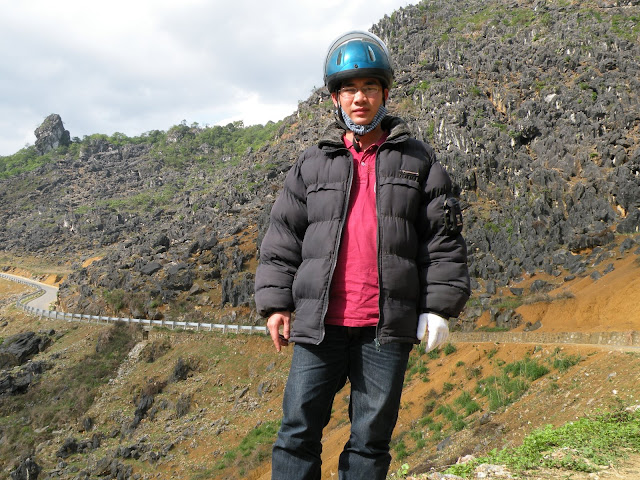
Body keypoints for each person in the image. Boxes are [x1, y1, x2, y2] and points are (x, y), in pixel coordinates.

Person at [254, 30, 470, 480]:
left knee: (370, 441)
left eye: (370, 87)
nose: (359, 98)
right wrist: (275, 305)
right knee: (297, 432)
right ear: (335, 98)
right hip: (320, 325)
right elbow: (283, 237)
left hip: (384, 328)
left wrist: (437, 308)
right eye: (349, 89)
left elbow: (442, 239)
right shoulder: (312, 163)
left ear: (385, 93)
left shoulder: (419, 161)